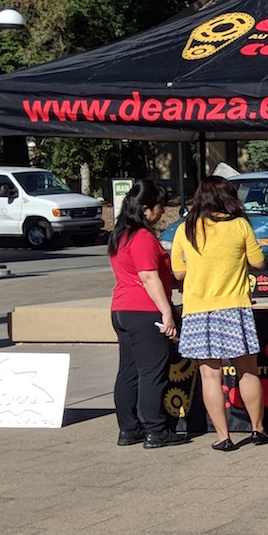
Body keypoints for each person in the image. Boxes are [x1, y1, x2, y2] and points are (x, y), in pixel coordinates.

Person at [170, 176, 268, 451]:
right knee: (247, 371)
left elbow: (178, 272)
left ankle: (223, 436)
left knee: (210, 375)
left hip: (198, 309)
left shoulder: (185, 229)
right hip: (235, 307)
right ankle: (258, 429)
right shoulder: (240, 225)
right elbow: (259, 261)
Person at [106, 180, 187, 449]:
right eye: (159, 206)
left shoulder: (120, 234)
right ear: (145, 209)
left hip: (121, 309)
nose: (162, 211)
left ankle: (128, 428)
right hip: (144, 310)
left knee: (128, 372)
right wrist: (167, 313)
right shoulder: (142, 238)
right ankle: (156, 430)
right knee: (152, 371)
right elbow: (149, 277)